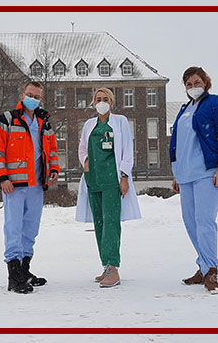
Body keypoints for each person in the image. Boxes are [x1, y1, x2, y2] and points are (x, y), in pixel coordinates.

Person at [169, 67, 218, 294]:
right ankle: (204, 264)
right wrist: (177, 173)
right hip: (186, 175)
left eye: (196, 82)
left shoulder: (216, 102)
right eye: (188, 84)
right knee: (191, 222)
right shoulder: (186, 109)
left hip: (208, 172)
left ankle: (211, 270)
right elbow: (178, 143)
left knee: (204, 220)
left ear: (205, 82)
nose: (192, 87)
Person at [0, 81, 60, 294]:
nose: (33, 99)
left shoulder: (44, 122)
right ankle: (14, 277)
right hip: (14, 184)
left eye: (37, 96)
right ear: (22, 94)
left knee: (31, 228)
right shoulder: (7, 119)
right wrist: (3, 177)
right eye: (30, 94)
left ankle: (24, 270)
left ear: (41, 99)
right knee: (14, 227)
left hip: (37, 184)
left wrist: (54, 169)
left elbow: (52, 148)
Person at [76, 87, 141, 288]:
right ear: (93, 103)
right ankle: (105, 266)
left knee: (112, 223)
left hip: (112, 180)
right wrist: (85, 161)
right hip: (93, 180)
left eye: (106, 99)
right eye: (98, 99)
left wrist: (124, 176)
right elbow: (82, 148)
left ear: (112, 103)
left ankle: (114, 267)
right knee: (99, 224)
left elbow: (127, 151)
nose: (102, 101)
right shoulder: (89, 124)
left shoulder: (120, 122)